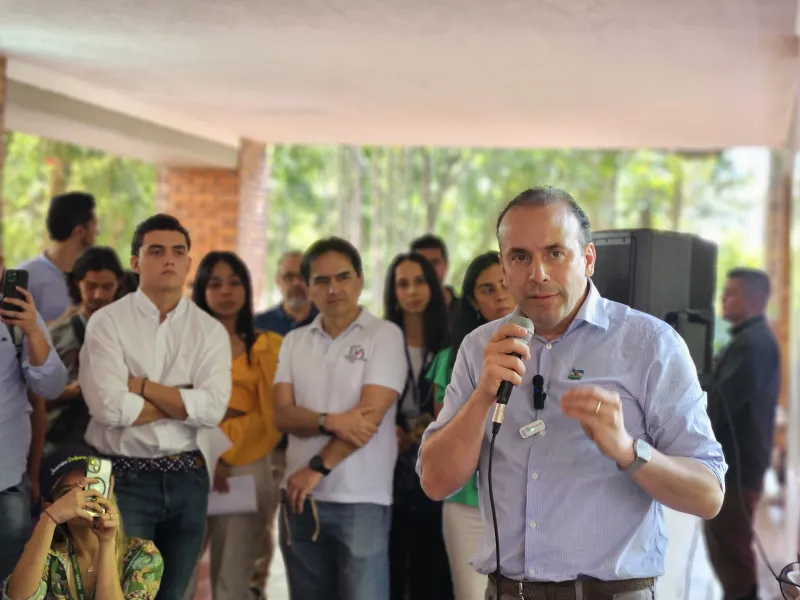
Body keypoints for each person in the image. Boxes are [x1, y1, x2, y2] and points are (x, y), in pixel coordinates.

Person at [417, 186, 727, 600]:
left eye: (555, 253)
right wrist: (482, 397)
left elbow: (708, 495)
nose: (538, 273)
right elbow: (436, 481)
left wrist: (628, 450)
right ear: (504, 268)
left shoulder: (650, 345)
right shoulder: (480, 348)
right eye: (520, 256)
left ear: (589, 259)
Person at [78, 214, 232, 600]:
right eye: (156, 250)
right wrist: (183, 397)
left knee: (174, 594)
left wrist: (145, 388)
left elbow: (213, 410)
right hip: (120, 477)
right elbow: (110, 410)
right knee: (116, 593)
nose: (169, 259)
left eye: (178, 252)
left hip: (188, 476)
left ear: (188, 263)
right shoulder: (107, 323)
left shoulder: (209, 330)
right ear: (135, 262)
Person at [274, 237, 406, 600]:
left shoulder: (385, 335)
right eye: (321, 280)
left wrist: (316, 467)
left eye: (343, 277)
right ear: (308, 287)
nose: (333, 288)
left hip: (361, 498)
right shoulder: (294, 341)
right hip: (299, 500)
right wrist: (330, 420)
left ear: (360, 280)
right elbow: (282, 415)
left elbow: (368, 417)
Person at [190, 251, 283, 600]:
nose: (226, 291)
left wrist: (227, 455)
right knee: (176, 570)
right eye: (215, 284)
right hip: (190, 462)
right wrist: (209, 452)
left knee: (233, 577)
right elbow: (174, 403)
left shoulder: (267, 346)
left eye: (234, 282)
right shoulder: (182, 343)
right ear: (202, 290)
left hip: (248, 464)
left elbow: (274, 412)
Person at [427, 251, 514, 600]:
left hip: (521, 501)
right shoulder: (453, 357)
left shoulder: (549, 350)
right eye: (487, 289)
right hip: (466, 503)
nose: (500, 296)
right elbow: (442, 432)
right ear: (474, 301)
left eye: (505, 284)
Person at [705, 268, 780, 600]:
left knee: (732, 547)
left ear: (753, 300)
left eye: (731, 292)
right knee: (725, 544)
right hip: (736, 465)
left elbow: (720, 404)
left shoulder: (755, 344)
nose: (723, 298)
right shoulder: (747, 339)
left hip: (738, 467)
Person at [2, 445, 163, 600]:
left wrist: (106, 543)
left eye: (91, 487)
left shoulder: (143, 555)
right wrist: (49, 519)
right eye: (68, 493)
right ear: (51, 505)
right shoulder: (45, 553)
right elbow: (17, 598)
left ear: (108, 491)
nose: (80, 499)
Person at [383, 253, 452, 600]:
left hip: (434, 461)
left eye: (420, 281)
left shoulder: (451, 340)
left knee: (431, 562)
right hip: (388, 463)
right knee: (392, 558)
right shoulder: (382, 339)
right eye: (402, 284)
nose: (412, 291)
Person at [251, 249, 317, 599]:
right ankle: (255, 591)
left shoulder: (328, 323)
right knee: (258, 531)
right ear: (277, 281)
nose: (296, 283)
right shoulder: (259, 326)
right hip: (268, 448)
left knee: (305, 534)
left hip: (316, 448)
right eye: (288, 276)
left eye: (301, 276)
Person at [0, 267, 69, 580]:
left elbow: (50, 387)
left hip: (6, 484)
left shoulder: (16, 314)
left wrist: (32, 330)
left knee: (13, 584)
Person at [46, 247, 124, 450]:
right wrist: (75, 390)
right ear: (77, 283)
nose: (98, 295)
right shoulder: (56, 335)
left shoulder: (132, 333)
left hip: (116, 444)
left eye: (107, 287)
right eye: (91, 286)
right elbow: (33, 399)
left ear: (118, 286)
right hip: (65, 441)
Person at [16, 192, 98, 323]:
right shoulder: (25, 277)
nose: (97, 232)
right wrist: (63, 323)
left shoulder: (95, 277)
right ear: (80, 231)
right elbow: (10, 335)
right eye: (94, 225)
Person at [410, 235, 458, 313]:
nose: (429, 268)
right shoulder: (403, 314)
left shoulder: (467, 310)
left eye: (435, 262)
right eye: (422, 263)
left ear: (446, 266)